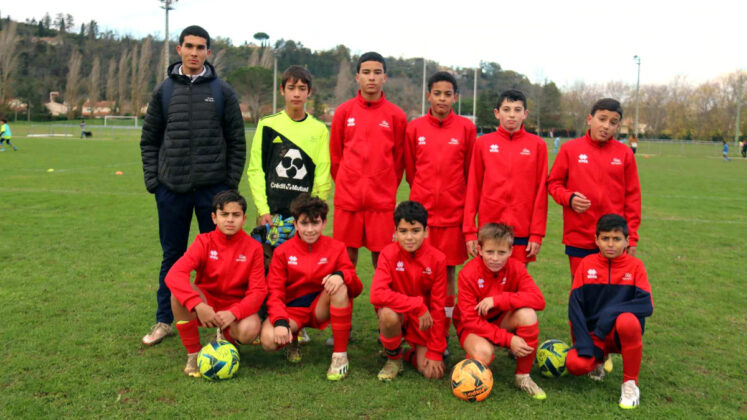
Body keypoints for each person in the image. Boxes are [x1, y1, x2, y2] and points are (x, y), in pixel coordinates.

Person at [140, 25, 246, 346]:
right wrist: (154, 183)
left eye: (201, 47)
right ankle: (164, 320)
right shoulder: (164, 91)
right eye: (189, 46)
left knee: (216, 259)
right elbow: (149, 140)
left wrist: (227, 189)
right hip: (171, 190)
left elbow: (236, 141)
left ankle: (218, 321)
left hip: (211, 191)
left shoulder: (223, 91)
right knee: (172, 256)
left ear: (208, 53)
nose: (194, 52)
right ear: (179, 49)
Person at [247, 65, 331, 344]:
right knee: (269, 269)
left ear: (309, 92)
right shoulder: (268, 124)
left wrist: (315, 213)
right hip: (273, 214)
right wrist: (262, 209)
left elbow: (322, 173)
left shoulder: (319, 130)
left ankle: (299, 322)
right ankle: (264, 319)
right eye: (291, 88)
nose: (297, 93)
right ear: (282, 90)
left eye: (302, 88)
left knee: (300, 271)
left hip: (302, 217)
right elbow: (256, 170)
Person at [404, 71, 476, 352]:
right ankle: (416, 331)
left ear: (455, 97)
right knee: (418, 274)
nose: (442, 98)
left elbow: (469, 173)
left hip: (452, 215)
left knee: (446, 277)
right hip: (421, 219)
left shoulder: (466, 129)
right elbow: (412, 172)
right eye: (437, 93)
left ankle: (442, 334)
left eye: (448, 94)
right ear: (428, 95)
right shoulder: (415, 128)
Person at [165, 190, 266, 377]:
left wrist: (234, 312)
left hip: (235, 306)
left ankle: (227, 340)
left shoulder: (254, 248)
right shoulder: (203, 242)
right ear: (214, 218)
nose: (230, 220)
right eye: (224, 214)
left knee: (249, 329)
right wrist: (198, 305)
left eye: (235, 215)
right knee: (177, 294)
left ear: (244, 219)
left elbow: (258, 291)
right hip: (206, 302)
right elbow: (174, 275)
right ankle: (194, 354)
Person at [261, 194, 362, 380]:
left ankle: (340, 356)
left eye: (315, 223)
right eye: (304, 224)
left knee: (340, 288)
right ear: (296, 224)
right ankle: (293, 340)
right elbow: (274, 291)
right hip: (292, 311)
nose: (309, 230)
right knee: (268, 340)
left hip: (319, 307)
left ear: (323, 223)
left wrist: (342, 276)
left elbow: (356, 288)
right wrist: (281, 322)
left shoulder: (337, 247)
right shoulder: (283, 251)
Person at [565, 214, 653, 410]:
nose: (610, 244)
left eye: (617, 239)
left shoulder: (635, 266)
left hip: (621, 334)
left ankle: (630, 384)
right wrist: (583, 343)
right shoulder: (586, 265)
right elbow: (575, 309)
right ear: (596, 240)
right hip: (596, 335)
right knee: (575, 365)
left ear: (627, 241)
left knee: (627, 320)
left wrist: (611, 312)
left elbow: (646, 305)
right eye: (605, 238)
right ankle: (598, 359)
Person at [330, 51, 407, 270]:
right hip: (348, 199)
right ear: (357, 77)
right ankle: (343, 305)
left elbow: (398, 161)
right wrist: (348, 183)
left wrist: (384, 186)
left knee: (383, 259)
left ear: (385, 77)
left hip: (381, 201)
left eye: (377, 72)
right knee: (345, 259)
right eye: (366, 72)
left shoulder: (396, 115)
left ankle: (383, 304)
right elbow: (336, 156)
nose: (371, 77)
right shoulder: (344, 112)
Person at [548, 98, 641, 279]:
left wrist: (633, 237)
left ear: (618, 126)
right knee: (581, 291)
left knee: (611, 293)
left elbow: (633, 197)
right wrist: (570, 198)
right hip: (579, 236)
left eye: (612, 122)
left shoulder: (625, 154)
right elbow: (553, 183)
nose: (606, 126)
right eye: (602, 119)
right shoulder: (570, 149)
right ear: (590, 119)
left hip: (613, 238)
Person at [453, 223, 547, 400]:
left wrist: (498, 300)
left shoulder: (516, 268)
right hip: (472, 326)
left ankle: (523, 377)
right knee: (484, 354)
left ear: (511, 251)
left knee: (528, 314)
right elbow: (469, 320)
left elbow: (538, 300)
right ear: (480, 250)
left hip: (500, 319)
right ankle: (468, 370)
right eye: (490, 252)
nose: (495, 258)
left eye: (501, 253)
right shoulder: (468, 273)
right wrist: (509, 339)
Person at [463, 89, 548, 265]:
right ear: (497, 113)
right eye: (506, 109)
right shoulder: (483, 143)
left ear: (525, 114)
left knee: (517, 284)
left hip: (522, 230)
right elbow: (473, 187)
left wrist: (537, 233)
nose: (512, 115)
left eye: (517, 110)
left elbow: (541, 192)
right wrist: (470, 231)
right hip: (489, 228)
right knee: (487, 283)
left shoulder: (538, 145)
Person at [370, 201, 447, 381]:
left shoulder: (438, 259)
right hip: (400, 314)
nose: (409, 237)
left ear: (426, 231)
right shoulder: (388, 254)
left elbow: (438, 307)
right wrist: (416, 304)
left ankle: (405, 353)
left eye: (415, 231)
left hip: (422, 321)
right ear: (395, 232)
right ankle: (393, 359)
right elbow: (376, 294)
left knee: (431, 373)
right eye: (403, 231)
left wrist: (435, 351)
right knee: (388, 314)